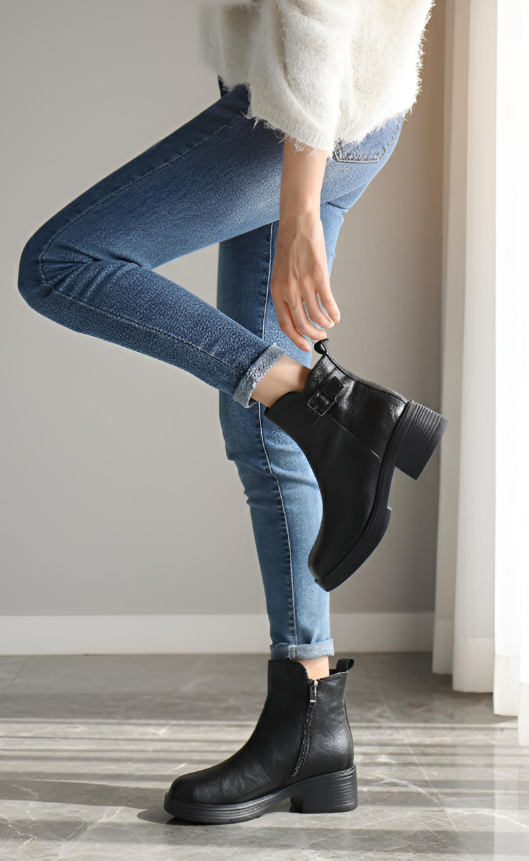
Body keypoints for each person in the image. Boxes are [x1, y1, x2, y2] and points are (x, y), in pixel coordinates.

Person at [17, 0, 446, 823]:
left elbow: (317, 13)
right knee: (263, 425)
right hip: (320, 107)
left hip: (307, 112)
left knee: (61, 262)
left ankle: (331, 406)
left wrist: (299, 202)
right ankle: (310, 730)